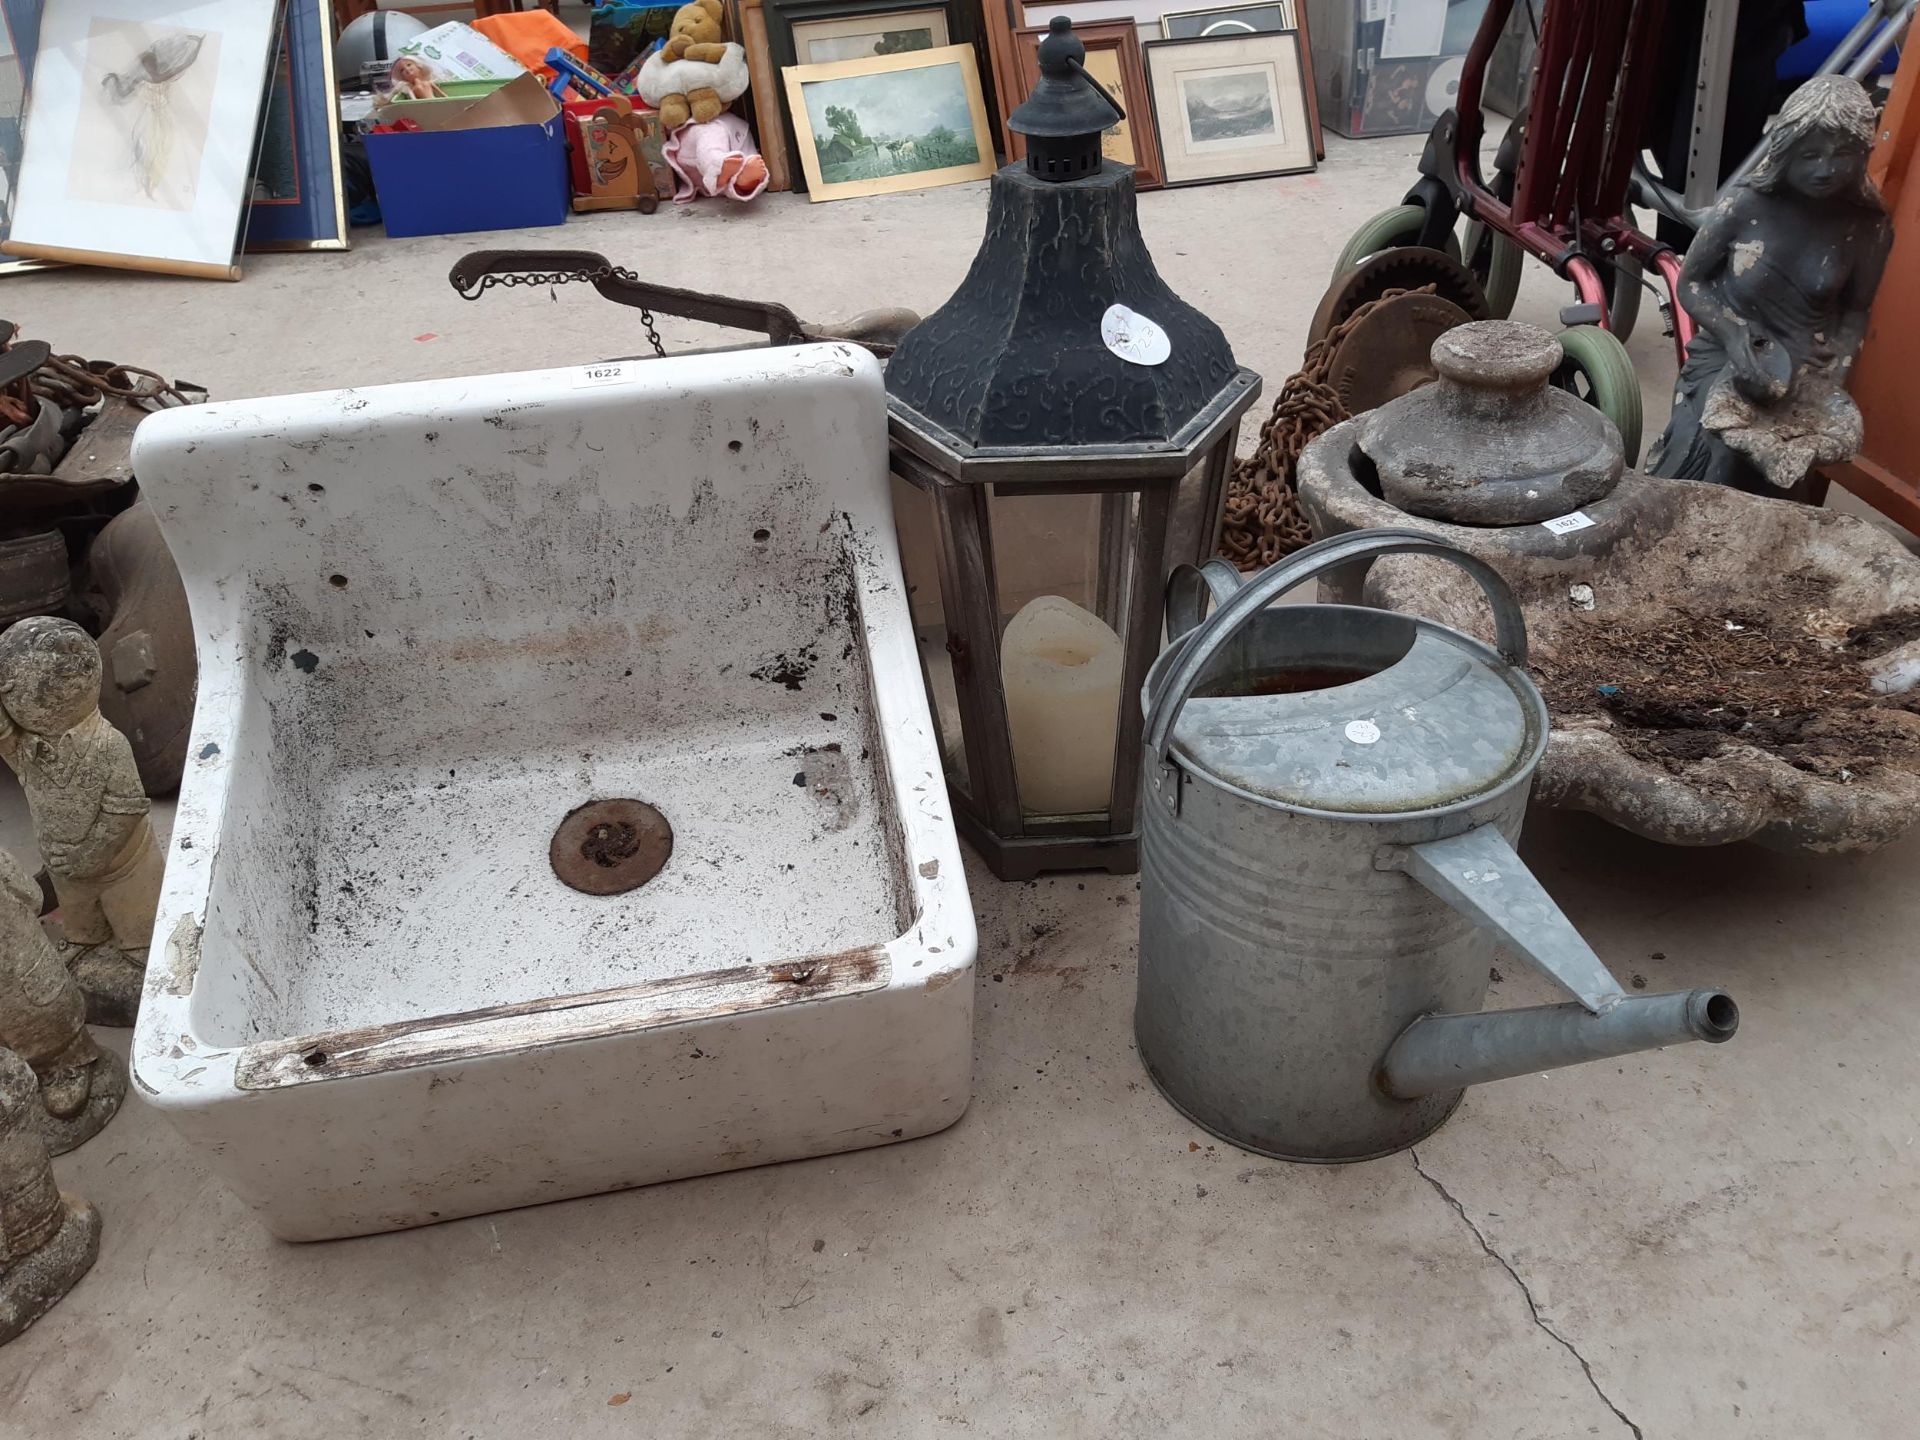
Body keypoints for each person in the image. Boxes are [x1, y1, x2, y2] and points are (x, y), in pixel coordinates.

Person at [1647, 75, 1892, 494]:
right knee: (1727, 452)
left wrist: (1834, 368)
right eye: (1810, 155)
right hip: (1727, 351)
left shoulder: (1867, 226)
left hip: (1807, 365)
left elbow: (1854, 313)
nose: (1825, 170)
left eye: (1843, 155)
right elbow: (1692, 285)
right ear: (1786, 152)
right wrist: (1735, 334)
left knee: (1806, 457)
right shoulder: (1745, 205)